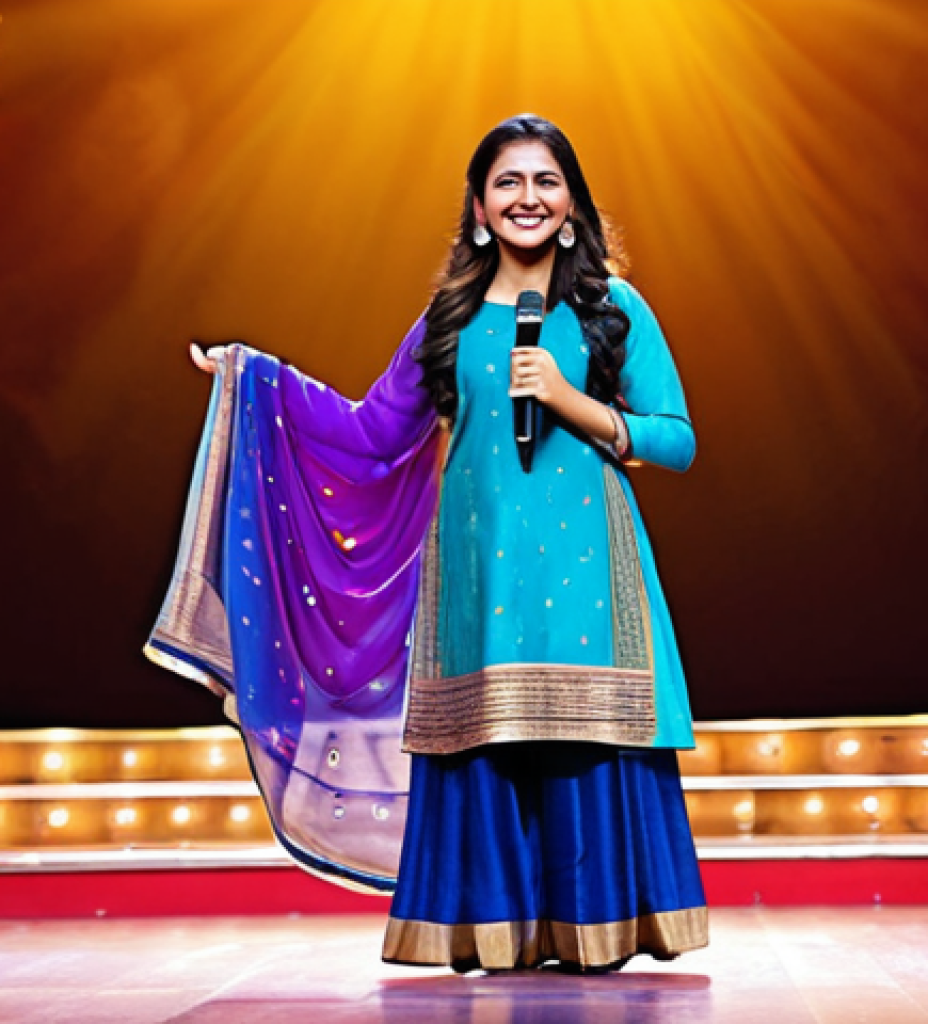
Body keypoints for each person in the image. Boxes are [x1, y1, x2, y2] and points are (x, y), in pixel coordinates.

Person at [166, 114, 706, 973]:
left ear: (571, 205)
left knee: (587, 744)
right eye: (508, 183)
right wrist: (252, 375)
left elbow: (675, 440)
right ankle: (496, 931)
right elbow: (369, 430)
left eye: (545, 181)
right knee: (486, 745)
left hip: (590, 575)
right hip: (477, 572)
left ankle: (598, 931)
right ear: (481, 210)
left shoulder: (611, 307)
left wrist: (569, 400)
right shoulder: (450, 317)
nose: (527, 197)